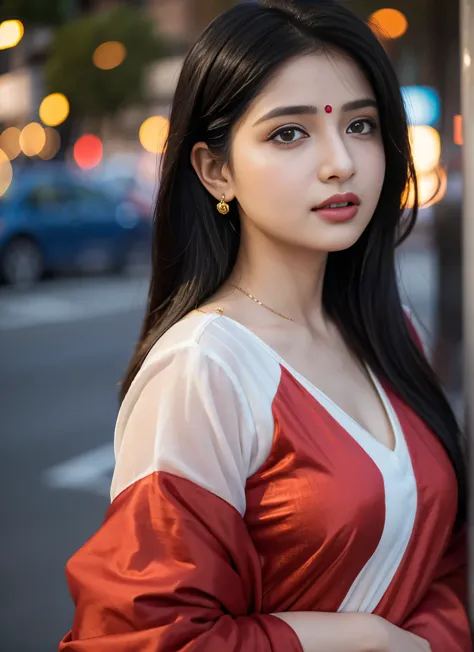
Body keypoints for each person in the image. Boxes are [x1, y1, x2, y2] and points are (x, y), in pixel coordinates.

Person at [59, 1, 471, 650]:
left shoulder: (395, 331)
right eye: (289, 133)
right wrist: (361, 639)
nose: (340, 162)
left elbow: (440, 567)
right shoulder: (205, 369)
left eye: (361, 126)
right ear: (214, 169)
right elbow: (141, 636)